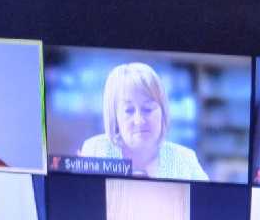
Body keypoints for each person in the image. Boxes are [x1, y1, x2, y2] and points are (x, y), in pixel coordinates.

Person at [80, 63, 208, 180]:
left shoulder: (185, 160)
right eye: (129, 110)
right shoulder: (96, 150)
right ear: (115, 116)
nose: (139, 121)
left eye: (148, 109)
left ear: (163, 111)